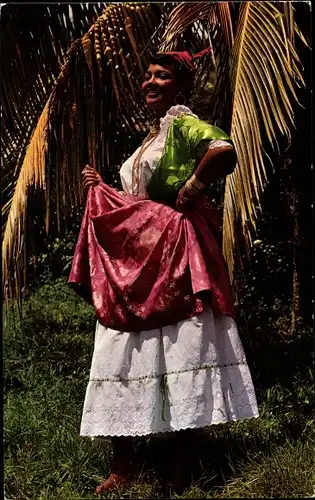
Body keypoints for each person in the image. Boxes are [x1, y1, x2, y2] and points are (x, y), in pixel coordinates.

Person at [70, 50, 259, 495]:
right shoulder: (150, 139)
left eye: (161, 76)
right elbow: (142, 200)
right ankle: (125, 466)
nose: (150, 82)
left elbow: (223, 151)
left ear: (180, 85)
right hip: (140, 259)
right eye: (147, 75)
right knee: (120, 349)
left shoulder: (182, 124)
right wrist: (104, 191)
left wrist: (192, 190)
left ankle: (178, 468)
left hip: (175, 253)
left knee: (179, 350)